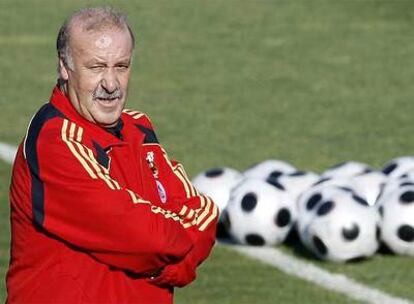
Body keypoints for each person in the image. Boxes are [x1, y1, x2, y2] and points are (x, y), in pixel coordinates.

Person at [7, 7, 218, 303]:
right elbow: (145, 237)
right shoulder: (55, 141)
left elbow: (205, 214)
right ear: (65, 68)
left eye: (121, 66)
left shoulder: (140, 130)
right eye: (96, 67)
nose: (110, 83)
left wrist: (160, 260)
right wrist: (172, 248)